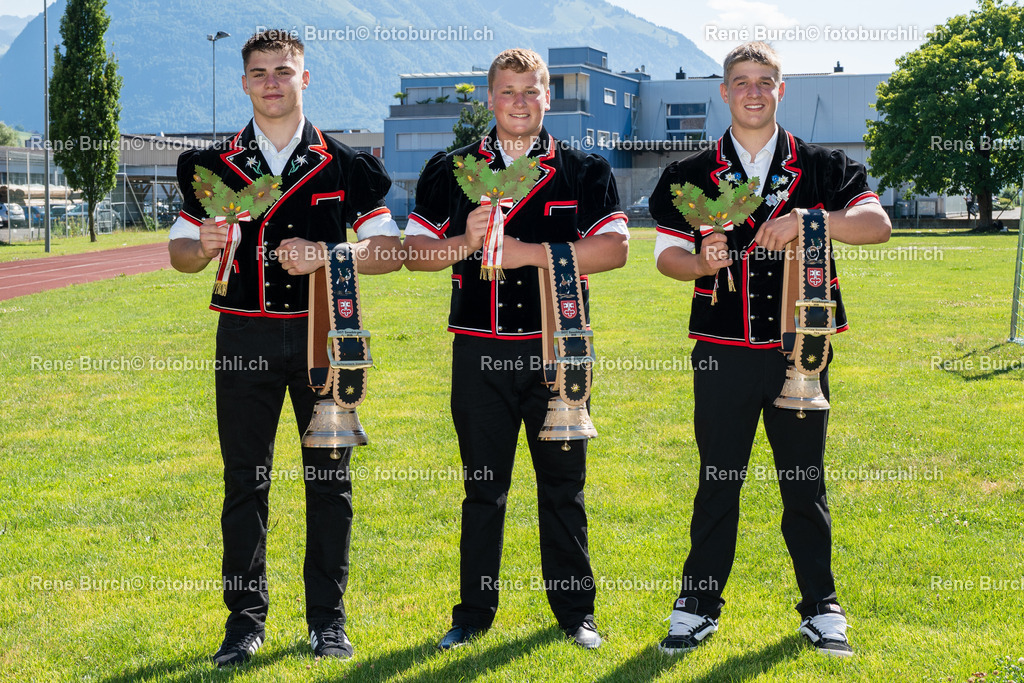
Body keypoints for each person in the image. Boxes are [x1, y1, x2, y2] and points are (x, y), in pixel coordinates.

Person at [649, 41, 890, 658]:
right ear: (724, 92)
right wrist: (699, 262)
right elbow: (665, 259)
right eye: (741, 81)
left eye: (765, 81)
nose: (753, 91)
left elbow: (875, 227)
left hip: (802, 347)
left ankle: (821, 606)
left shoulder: (825, 165)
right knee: (718, 478)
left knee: (804, 481)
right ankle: (697, 605)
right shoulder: (688, 173)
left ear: (781, 91)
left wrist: (812, 221)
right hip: (723, 349)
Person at [168, 30, 401, 667]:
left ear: (306, 79)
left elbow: (389, 252)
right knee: (246, 481)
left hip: (325, 338)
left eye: (285, 71)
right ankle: (244, 623)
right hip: (242, 336)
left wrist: (330, 253)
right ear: (244, 82)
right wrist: (204, 247)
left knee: (330, 481)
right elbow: (179, 254)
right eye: (261, 72)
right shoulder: (210, 167)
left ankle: (328, 622)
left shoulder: (349, 165)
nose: (273, 82)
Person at [403, 48, 629, 651]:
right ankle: (473, 614)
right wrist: (462, 240)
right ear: (489, 98)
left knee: (564, 486)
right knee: (483, 488)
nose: (520, 102)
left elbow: (614, 251)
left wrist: (528, 252)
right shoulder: (449, 169)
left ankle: (576, 613)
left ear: (548, 96)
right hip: (478, 353)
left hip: (560, 354)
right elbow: (412, 255)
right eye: (508, 92)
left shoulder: (585, 169)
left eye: (531, 91)